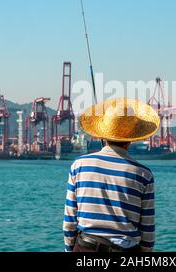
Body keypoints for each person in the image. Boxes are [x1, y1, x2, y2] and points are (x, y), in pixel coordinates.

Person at [62, 98, 160, 252]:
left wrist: (69, 249)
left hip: (85, 247)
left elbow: (69, 222)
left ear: (102, 135)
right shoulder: (144, 174)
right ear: (131, 139)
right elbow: (147, 231)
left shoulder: (78, 165)